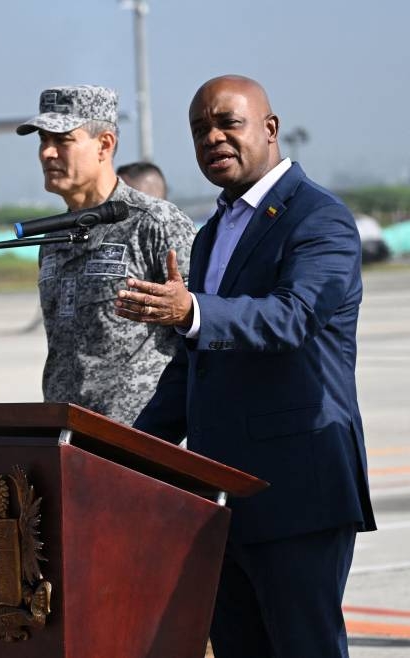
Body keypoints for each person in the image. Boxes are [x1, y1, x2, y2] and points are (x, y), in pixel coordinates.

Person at [115, 75, 375, 657]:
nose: (213, 137)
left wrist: (193, 310)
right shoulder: (211, 235)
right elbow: (193, 368)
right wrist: (120, 452)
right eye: (199, 129)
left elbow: (293, 317)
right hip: (221, 499)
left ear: (269, 128)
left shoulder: (320, 220)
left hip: (296, 490)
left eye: (227, 123)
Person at [16, 85, 196, 425]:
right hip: (68, 433)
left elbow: (204, 337)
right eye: (43, 140)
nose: (46, 153)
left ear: (105, 144)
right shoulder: (53, 237)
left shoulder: (155, 224)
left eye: (62, 140)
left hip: (141, 439)